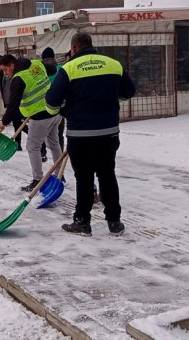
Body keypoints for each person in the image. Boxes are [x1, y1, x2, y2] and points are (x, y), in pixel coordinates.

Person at [45, 32, 135, 237]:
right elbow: (129, 92)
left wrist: (62, 111)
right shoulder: (113, 64)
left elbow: (51, 102)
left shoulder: (68, 69)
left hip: (80, 135)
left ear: (74, 48)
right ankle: (114, 221)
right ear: (91, 45)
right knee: (107, 175)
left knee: (84, 178)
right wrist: (111, 100)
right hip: (109, 133)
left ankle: (82, 222)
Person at [0, 54, 61, 192]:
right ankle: (59, 175)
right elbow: (53, 70)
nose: (5, 74)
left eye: (5, 70)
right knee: (54, 144)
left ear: (12, 66)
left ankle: (38, 180)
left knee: (33, 147)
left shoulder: (18, 79)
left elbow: (13, 106)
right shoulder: (36, 63)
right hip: (55, 111)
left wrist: (3, 122)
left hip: (40, 116)